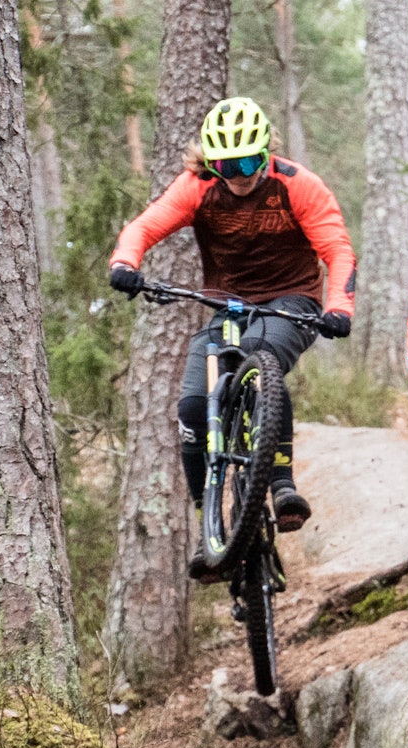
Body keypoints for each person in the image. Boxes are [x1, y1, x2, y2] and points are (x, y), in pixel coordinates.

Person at [109, 96, 356, 581]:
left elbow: (337, 249)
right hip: (225, 303)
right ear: (209, 161)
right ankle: (209, 526)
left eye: (247, 162)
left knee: (262, 357)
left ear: (266, 152)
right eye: (226, 164)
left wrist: (338, 308)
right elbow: (144, 227)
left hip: (291, 301)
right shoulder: (199, 187)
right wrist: (125, 264)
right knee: (193, 408)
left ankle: (282, 484)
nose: (238, 174)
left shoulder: (296, 185)